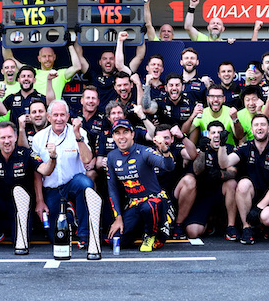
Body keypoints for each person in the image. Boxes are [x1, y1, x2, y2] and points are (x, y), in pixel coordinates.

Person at [0, 120, 55, 252]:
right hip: (2, 204)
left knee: (19, 242)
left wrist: (53, 158)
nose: (7, 141)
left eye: (10, 137)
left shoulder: (26, 153)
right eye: (3, 138)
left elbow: (45, 170)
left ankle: (17, 229)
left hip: (23, 207)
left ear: (15, 137)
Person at [34, 100, 96, 248]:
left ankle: (84, 234)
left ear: (68, 116)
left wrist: (77, 136)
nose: (59, 119)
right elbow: (36, 173)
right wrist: (39, 200)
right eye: (55, 115)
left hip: (73, 183)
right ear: (49, 117)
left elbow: (87, 159)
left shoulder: (79, 133)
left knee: (86, 184)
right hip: (52, 189)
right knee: (54, 237)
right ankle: (69, 213)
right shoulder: (39, 138)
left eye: (62, 115)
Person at [105, 120, 175, 252]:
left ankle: (152, 235)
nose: (122, 137)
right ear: (113, 137)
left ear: (132, 134)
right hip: (134, 205)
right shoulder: (111, 157)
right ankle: (140, 232)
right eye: (117, 133)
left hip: (155, 204)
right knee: (115, 240)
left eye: (125, 132)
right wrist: (118, 218)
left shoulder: (144, 151)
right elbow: (112, 189)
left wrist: (164, 149)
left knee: (149, 206)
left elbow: (168, 166)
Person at [218, 111, 269, 245]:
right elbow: (224, 163)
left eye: (263, 125)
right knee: (243, 184)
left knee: (267, 218)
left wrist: (259, 208)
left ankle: (267, 227)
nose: (259, 128)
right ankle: (247, 228)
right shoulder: (246, 147)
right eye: (256, 125)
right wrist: (222, 145)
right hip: (251, 194)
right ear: (252, 129)